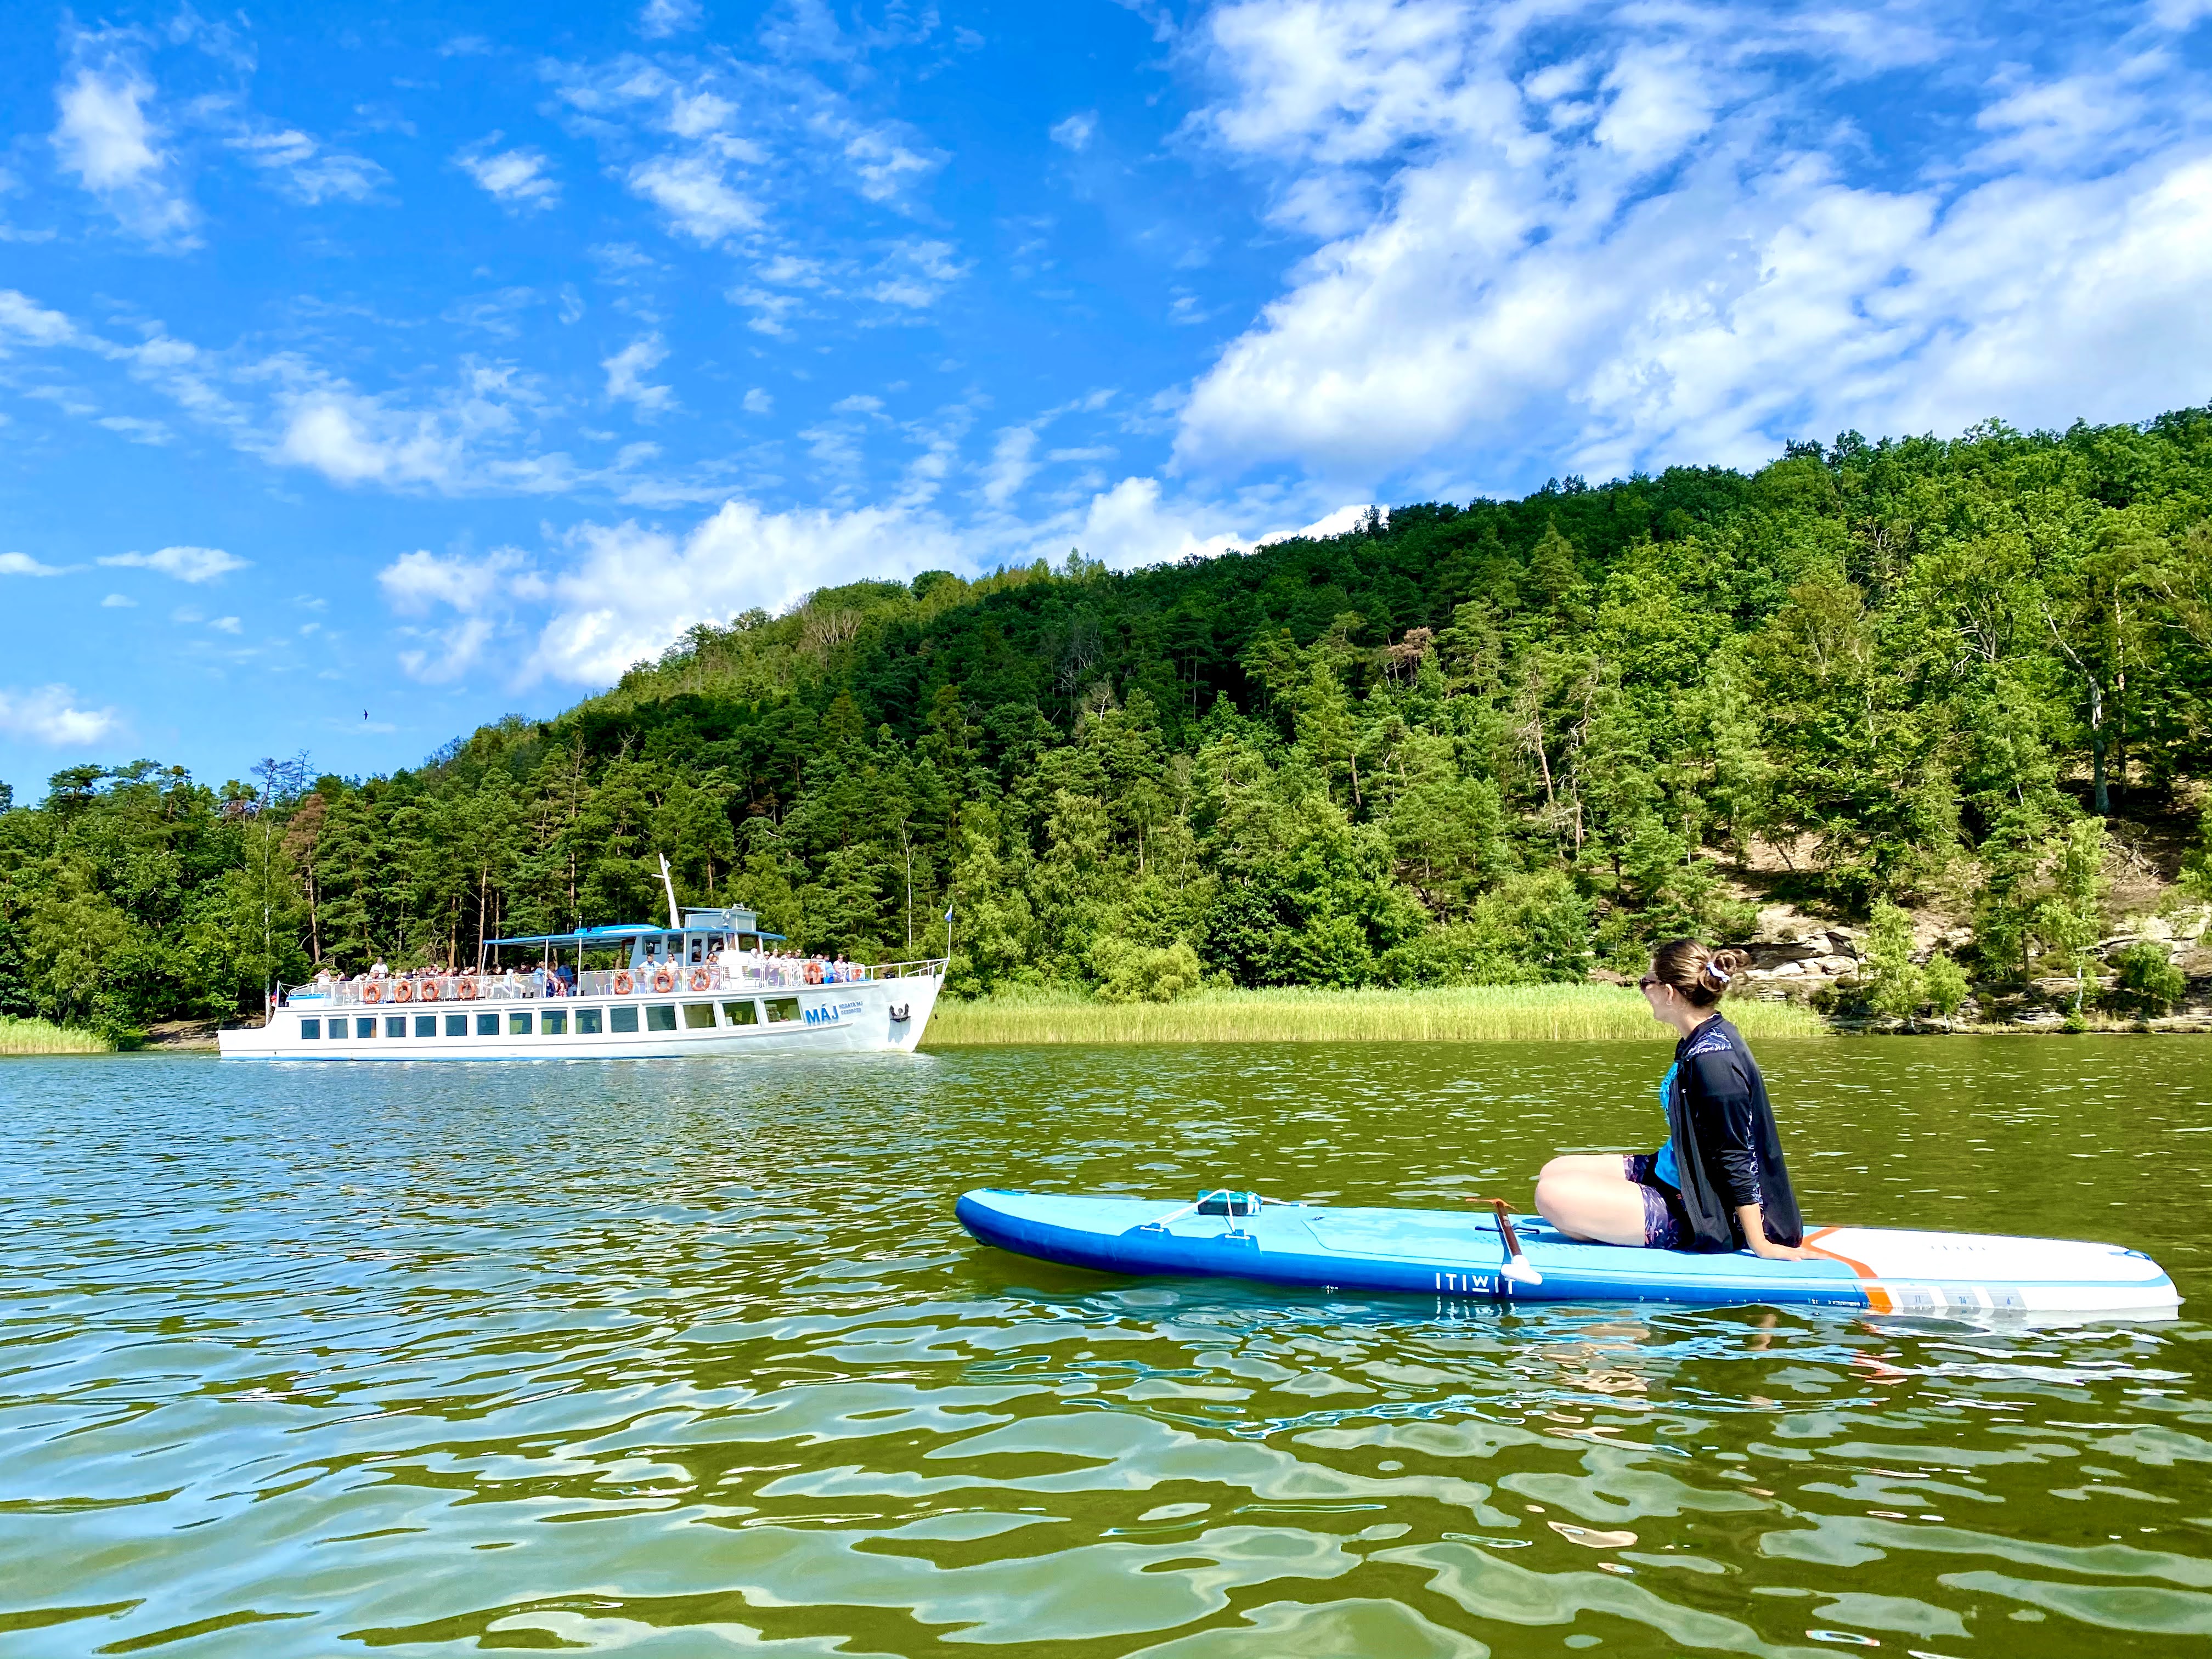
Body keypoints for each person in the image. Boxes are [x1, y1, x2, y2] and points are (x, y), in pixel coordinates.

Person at [1533, 940, 1808, 1259]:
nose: (1643, 991)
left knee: (1551, 1195)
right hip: (1676, 1172)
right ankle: (1608, 1222)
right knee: (1553, 1171)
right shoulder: (1699, 1038)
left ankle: (1634, 1227)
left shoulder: (1715, 1061)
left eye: (1645, 982)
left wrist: (1760, 1243)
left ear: (1668, 992)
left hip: (1705, 1209)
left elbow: (1736, 1154)